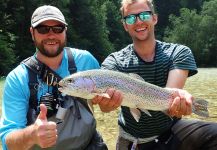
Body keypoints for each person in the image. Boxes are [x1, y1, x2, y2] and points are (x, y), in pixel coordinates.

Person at [95, 0, 217, 149]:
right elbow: (105, 109)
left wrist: (180, 101)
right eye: (131, 18)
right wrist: (106, 104)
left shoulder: (179, 53)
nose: (138, 21)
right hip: (132, 139)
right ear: (125, 25)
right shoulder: (114, 61)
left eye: (144, 15)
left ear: (154, 18)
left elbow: (170, 99)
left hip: (171, 132)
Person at [0, 5, 121, 150]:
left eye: (58, 28)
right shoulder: (18, 79)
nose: (51, 35)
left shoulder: (86, 60)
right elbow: (8, 142)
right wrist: (31, 135)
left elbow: (102, 104)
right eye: (43, 29)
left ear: (65, 31)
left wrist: (107, 105)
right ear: (32, 33)